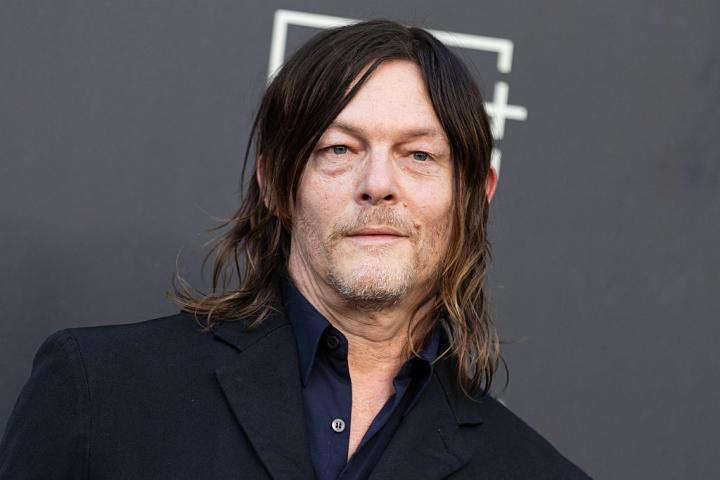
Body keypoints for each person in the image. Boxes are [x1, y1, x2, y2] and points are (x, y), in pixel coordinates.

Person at [0, 19, 590, 479]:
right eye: (339, 148)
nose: (377, 183)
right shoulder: (100, 392)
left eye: (419, 155)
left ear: (475, 197)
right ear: (277, 183)